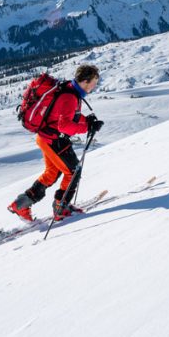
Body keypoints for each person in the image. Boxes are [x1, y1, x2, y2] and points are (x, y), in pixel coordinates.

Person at [8, 64, 104, 222]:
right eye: (93, 82)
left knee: (52, 173)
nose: (94, 86)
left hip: (46, 137)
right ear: (85, 81)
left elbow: (63, 115)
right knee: (73, 172)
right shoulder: (70, 96)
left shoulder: (69, 90)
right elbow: (64, 125)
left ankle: (20, 205)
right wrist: (87, 126)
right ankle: (61, 207)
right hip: (53, 140)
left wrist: (85, 120)